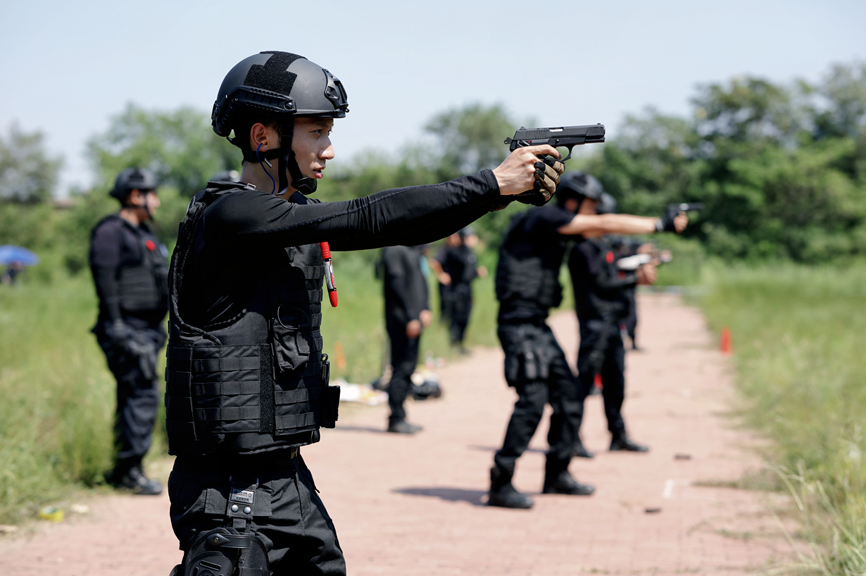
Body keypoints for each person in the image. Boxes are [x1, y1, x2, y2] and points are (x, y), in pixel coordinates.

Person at [164, 51, 565, 576]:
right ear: (262, 137)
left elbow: (397, 226)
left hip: (285, 478)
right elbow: (369, 216)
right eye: (317, 132)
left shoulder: (291, 218)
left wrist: (497, 197)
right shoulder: (231, 215)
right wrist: (490, 183)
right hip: (228, 491)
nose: (329, 150)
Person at [488, 171, 687, 509]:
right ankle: (501, 482)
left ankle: (557, 475)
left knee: (568, 399)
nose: (592, 215)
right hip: (518, 326)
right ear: (572, 201)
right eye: (590, 207)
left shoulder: (555, 225)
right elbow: (606, 223)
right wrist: (659, 223)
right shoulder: (543, 216)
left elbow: (601, 228)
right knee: (532, 403)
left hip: (537, 325)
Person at [88, 167, 167, 496]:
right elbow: (104, 280)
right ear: (136, 196)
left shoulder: (144, 234)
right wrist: (118, 326)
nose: (158, 202)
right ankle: (129, 470)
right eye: (153, 194)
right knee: (141, 394)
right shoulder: (110, 231)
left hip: (147, 329)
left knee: (134, 395)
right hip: (126, 329)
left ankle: (124, 467)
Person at [567, 191, 658, 458]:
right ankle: (570, 437)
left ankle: (618, 436)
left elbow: (614, 272)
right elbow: (601, 283)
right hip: (594, 324)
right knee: (583, 384)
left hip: (612, 324)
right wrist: (635, 279)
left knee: (615, 382)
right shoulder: (582, 249)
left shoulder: (601, 246)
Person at [381, 245, 432, 433]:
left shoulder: (413, 249)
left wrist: (426, 307)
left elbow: (421, 281)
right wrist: (410, 316)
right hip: (401, 320)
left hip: (415, 319)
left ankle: (401, 415)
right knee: (401, 367)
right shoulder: (394, 250)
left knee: (409, 366)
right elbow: (397, 285)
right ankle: (396, 417)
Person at [430, 226, 487, 353]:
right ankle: (453, 344)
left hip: (467, 289)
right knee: (456, 317)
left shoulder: (470, 253)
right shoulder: (453, 251)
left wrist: (477, 273)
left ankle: (461, 343)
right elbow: (437, 261)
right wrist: (441, 275)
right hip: (456, 289)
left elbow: (469, 272)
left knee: (466, 316)